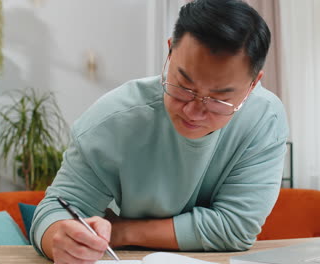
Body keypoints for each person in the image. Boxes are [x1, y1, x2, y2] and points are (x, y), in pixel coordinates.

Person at [30, 0, 289, 263]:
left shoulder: (264, 118)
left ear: (253, 84)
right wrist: (60, 239)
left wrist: (121, 231)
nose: (193, 111)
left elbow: (236, 227)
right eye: (184, 86)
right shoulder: (113, 119)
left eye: (219, 99)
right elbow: (55, 212)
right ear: (169, 52)